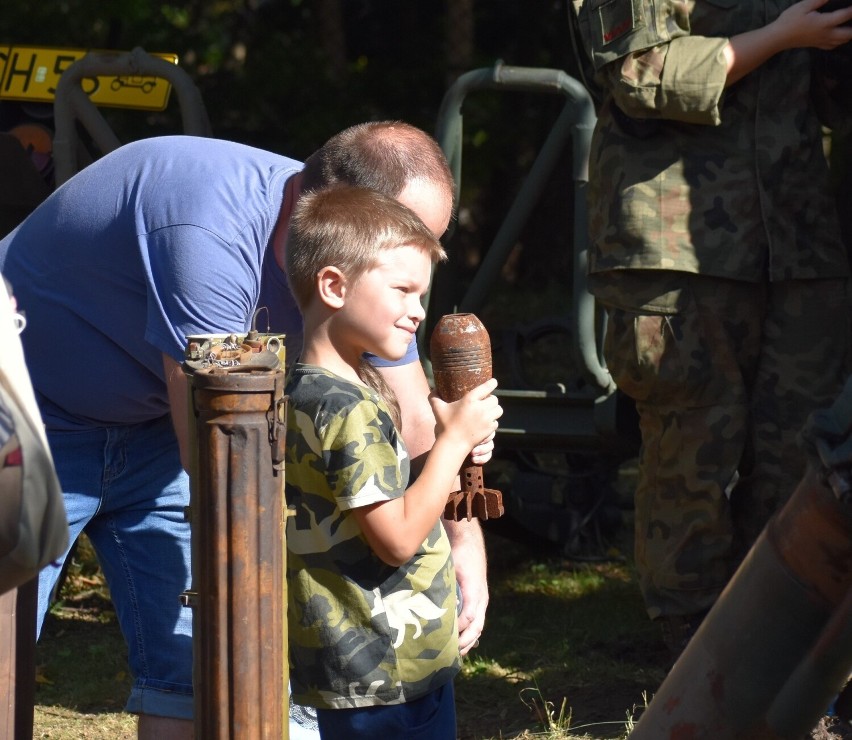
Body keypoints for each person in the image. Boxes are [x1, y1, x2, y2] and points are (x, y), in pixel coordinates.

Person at [0, 121, 492, 739]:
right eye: (402, 270)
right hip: (27, 413)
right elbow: (216, 456)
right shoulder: (207, 229)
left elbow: (417, 415)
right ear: (335, 240)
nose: (416, 294)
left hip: (151, 420)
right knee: (3, 650)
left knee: (195, 665)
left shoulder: (367, 257)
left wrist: (463, 545)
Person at [571, 0, 852, 656]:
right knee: (691, 450)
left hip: (798, 248)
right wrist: (783, 36)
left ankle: (776, 647)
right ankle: (694, 665)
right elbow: (641, 74)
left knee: (800, 453)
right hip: (674, 253)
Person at [283, 185, 501, 738]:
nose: (417, 311)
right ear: (333, 286)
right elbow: (396, 537)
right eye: (402, 289)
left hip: (387, 667)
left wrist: (452, 447)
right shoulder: (345, 407)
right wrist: (451, 446)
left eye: (422, 293)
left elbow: (380, 494)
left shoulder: (320, 388)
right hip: (380, 673)